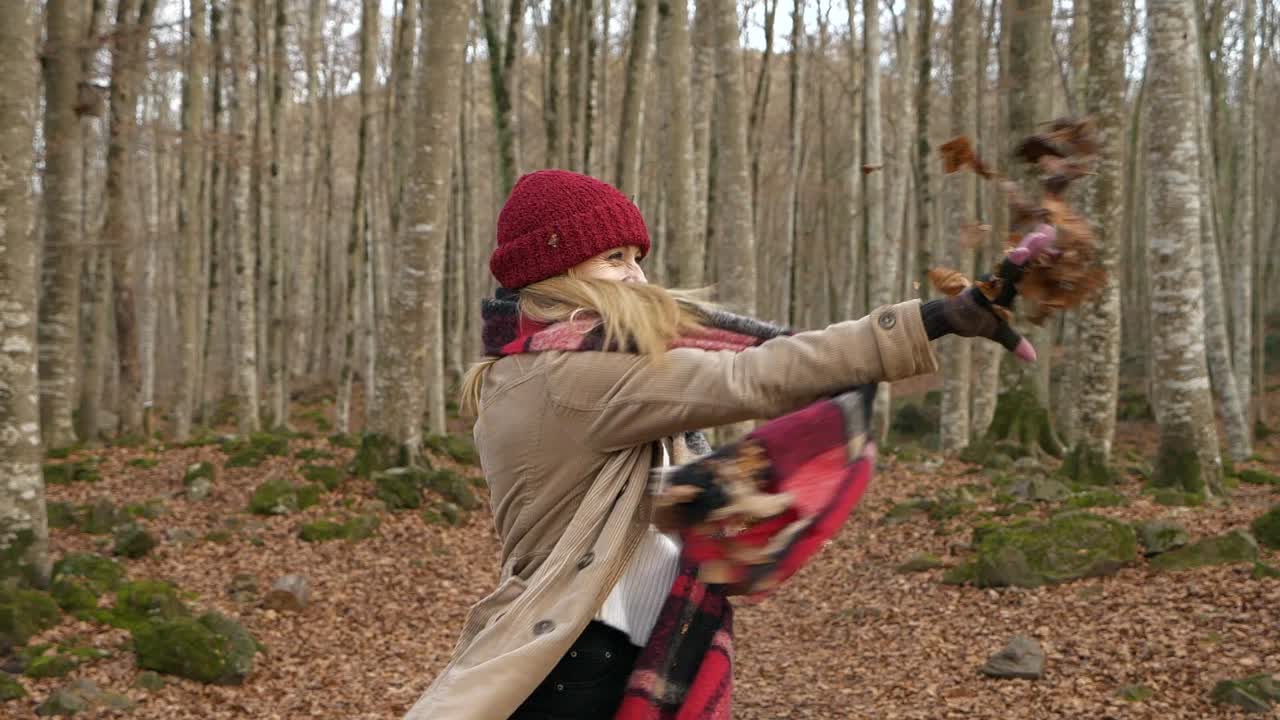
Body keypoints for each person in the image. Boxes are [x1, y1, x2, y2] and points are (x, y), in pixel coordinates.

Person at [404, 169, 1047, 720]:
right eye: (615, 258)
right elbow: (750, 376)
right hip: (581, 660)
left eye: (637, 255)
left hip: (593, 649)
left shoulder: (538, 365)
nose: (638, 275)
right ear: (558, 272)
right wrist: (934, 320)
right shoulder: (577, 376)